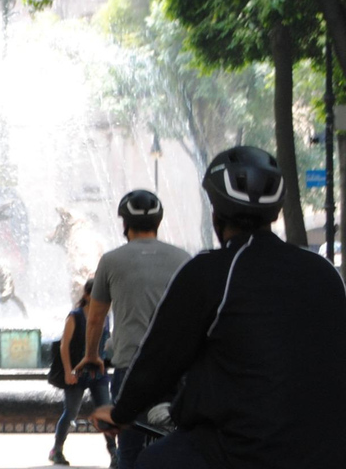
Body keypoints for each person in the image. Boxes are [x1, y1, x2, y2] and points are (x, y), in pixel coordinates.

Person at [90, 146, 346, 468]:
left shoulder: (211, 272)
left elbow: (159, 359)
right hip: (328, 449)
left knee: (151, 460)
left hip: (244, 451)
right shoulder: (324, 274)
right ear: (276, 213)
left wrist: (120, 412)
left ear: (215, 214)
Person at [75, 189, 190, 469]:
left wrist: (92, 355)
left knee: (130, 449)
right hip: (175, 367)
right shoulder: (183, 258)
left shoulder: (111, 260)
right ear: (158, 223)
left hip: (131, 365)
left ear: (125, 224)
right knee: (179, 442)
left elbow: (95, 318)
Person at [49, 279, 117, 468]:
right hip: (77, 373)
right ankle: (57, 449)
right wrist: (68, 371)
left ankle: (114, 453)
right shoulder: (75, 316)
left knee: (105, 411)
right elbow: (64, 345)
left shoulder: (106, 316)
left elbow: (106, 341)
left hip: (98, 373)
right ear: (87, 295)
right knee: (70, 412)